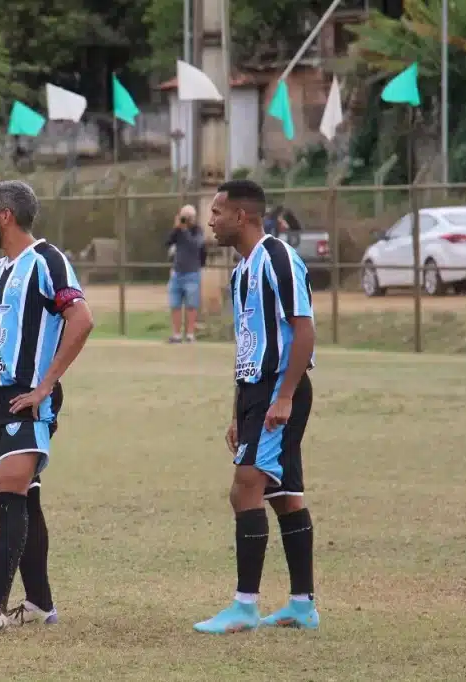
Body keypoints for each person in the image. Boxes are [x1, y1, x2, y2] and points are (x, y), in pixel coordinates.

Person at [0, 180, 95, 636]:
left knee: (8, 487)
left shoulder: (47, 261)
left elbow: (81, 319)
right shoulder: (3, 267)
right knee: (25, 496)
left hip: (25, 399)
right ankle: (39, 604)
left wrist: (46, 386)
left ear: (6, 216)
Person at [194, 179, 319, 634]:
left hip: (277, 389)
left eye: (217, 212)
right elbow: (248, 344)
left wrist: (284, 395)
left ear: (241, 216)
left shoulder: (278, 259)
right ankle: (302, 606)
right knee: (283, 495)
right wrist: (236, 410)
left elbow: (303, 331)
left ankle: (245, 607)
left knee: (244, 487)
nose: (211, 220)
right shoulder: (240, 271)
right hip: (254, 391)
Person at [165, 204, 207, 343]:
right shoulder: (178, 230)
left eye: (188, 217)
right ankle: (176, 334)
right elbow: (167, 242)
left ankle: (190, 335)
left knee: (191, 305)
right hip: (177, 273)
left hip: (192, 273)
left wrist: (185, 231)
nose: (186, 220)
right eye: (184, 216)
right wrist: (176, 229)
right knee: (175, 304)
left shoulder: (197, 231)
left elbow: (195, 245)